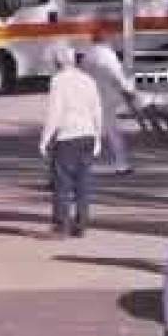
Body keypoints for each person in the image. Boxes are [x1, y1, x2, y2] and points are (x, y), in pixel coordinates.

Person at [40, 47, 103, 239]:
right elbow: (97, 110)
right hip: (87, 135)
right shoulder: (88, 80)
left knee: (62, 183)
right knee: (83, 182)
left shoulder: (58, 81)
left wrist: (45, 138)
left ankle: (61, 226)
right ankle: (81, 224)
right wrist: (98, 136)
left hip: (67, 136)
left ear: (58, 63)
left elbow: (55, 113)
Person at [79, 42, 136, 175]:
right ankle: (121, 164)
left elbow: (83, 74)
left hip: (92, 97)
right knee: (112, 132)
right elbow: (117, 75)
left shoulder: (89, 54)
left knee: (89, 131)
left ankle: (82, 162)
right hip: (107, 99)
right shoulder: (108, 55)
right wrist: (128, 90)